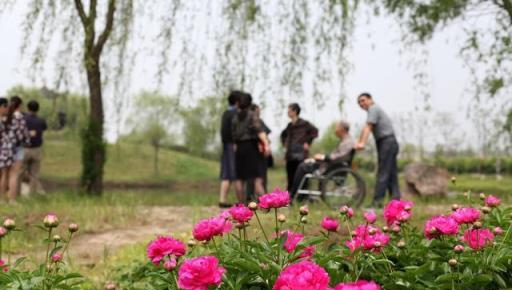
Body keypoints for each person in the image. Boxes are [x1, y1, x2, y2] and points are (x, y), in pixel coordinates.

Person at [354, 92, 401, 208]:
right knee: (391, 174)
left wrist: (362, 143)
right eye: (359, 102)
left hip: (387, 142)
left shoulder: (373, 109)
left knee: (383, 173)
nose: (361, 104)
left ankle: (377, 202)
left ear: (370, 99)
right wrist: (359, 142)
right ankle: (396, 203)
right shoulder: (373, 110)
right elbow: (366, 127)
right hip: (387, 142)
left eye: (363, 100)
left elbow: (368, 127)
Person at [290, 121, 354, 199]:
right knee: (305, 164)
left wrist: (323, 157)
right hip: (332, 165)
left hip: (333, 167)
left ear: (342, 129)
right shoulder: (345, 140)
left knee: (302, 167)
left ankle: (294, 195)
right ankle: (301, 195)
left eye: (336, 127)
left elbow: (339, 156)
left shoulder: (348, 141)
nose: (335, 130)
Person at [231, 93, 270, 203]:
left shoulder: (235, 118)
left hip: (239, 148)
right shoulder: (252, 115)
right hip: (251, 148)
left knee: (239, 179)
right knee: (257, 178)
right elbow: (259, 131)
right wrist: (266, 144)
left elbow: (233, 136)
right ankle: (266, 204)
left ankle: (241, 204)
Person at [280, 103, 318, 192]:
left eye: (289, 111)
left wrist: (308, 142)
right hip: (290, 154)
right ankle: (290, 197)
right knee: (290, 176)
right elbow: (283, 135)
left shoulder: (304, 123)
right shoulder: (289, 125)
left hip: (301, 154)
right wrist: (284, 143)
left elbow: (315, 132)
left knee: (301, 176)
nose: (287, 113)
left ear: (295, 111)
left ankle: (302, 196)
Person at [1, 96, 30, 203]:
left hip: (5, 148)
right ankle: (12, 200)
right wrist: (27, 141)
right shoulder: (19, 118)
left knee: (4, 174)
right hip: (17, 148)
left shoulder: (4, 117)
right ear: (20, 105)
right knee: (14, 174)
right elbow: (22, 134)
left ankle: (2, 199)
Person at [218, 91, 241, 208]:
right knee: (236, 173)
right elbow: (235, 131)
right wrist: (235, 142)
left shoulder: (225, 113)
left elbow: (223, 132)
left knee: (226, 173)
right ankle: (241, 202)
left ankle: (222, 200)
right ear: (238, 102)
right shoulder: (235, 114)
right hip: (233, 145)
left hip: (226, 145)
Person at [245, 104, 272, 201]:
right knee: (259, 178)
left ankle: (251, 198)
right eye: (259, 110)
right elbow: (263, 135)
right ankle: (263, 200)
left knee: (252, 177)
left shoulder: (244, 121)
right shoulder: (257, 121)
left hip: (249, 153)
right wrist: (266, 145)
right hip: (258, 153)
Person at [21, 100, 47, 195]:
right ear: (38, 109)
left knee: (20, 172)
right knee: (34, 174)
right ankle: (32, 194)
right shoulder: (41, 120)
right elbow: (44, 128)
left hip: (24, 149)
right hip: (36, 149)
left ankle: (17, 193)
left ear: (28, 108)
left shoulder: (23, 119)